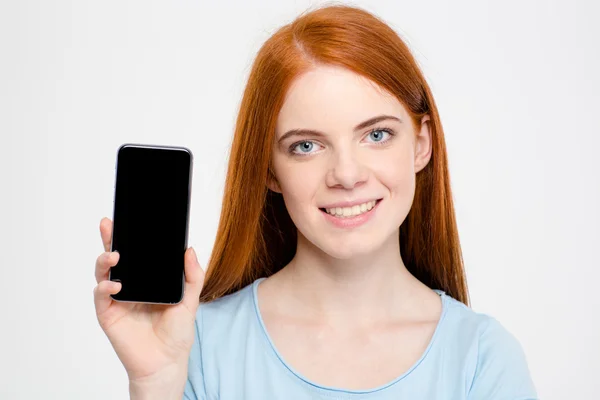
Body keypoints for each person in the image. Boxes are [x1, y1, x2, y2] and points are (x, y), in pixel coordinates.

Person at [94, 5, 538, 399]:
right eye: (307, 146)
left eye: (377, 135)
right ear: (268, 169)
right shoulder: (200, 345)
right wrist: (155, 387)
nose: (346, 174)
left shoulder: (482, 359)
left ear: (421, 144)